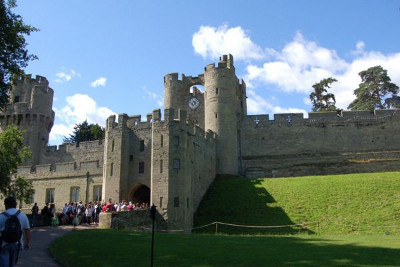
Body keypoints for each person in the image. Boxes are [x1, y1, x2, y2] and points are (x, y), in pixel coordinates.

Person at [0, 196, 31, 267]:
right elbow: (27, 230)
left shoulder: (1, 216)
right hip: (17, 243)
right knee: (13, 263)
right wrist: (27, 243)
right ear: (15, 204)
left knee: (4, 263)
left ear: (6, 205)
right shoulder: (23, 215)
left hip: (4, 244)